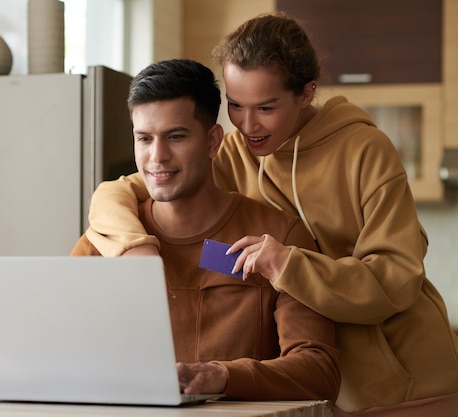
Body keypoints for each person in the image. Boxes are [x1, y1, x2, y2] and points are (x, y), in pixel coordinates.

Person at [83, 13, 458, 417]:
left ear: (306, 93)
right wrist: (135, 248)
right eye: (236, 106)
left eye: (266, 106)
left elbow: (398, 280)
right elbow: (121, 192)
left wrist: (288, 263)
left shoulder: (365, 150)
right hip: (335, 391)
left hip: (409, 381)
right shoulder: (235, 150)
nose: (248, 125)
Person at [71, 58, 340, 401]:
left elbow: (320, 371)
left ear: (213, 142)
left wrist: (224, 376)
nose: (157, 157)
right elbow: (55, 351)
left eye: (176, 136)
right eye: (144, 139)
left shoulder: (280, 237)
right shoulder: (103, 243)